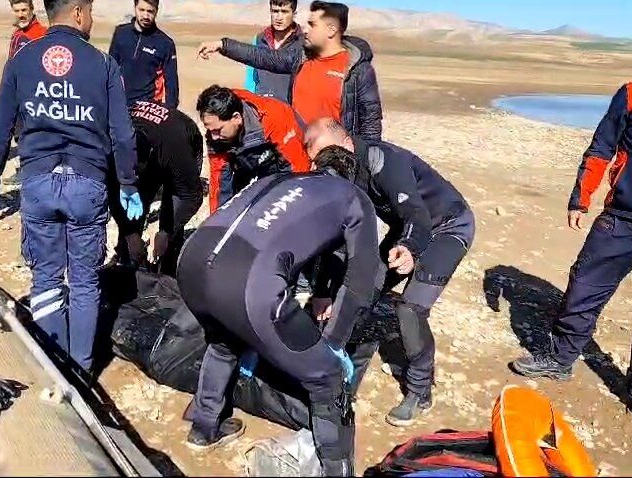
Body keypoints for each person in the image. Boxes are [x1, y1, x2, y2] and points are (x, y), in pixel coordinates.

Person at [510, 27, 632, 428]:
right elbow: (602, 147)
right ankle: (559, 358)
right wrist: (580, 198)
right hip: (620, 218)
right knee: (583, 287)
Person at [177, 170, 385, 477]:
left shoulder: (282, 178)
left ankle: (203, 427)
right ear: (350, 175)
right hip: (246, 280)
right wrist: (333, 344)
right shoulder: (352, 196)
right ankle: (338, 472)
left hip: (192, 259)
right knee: (327, 376)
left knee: (223, 343)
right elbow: (361, 282)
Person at [0, 0, 141, 376]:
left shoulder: (22, 59)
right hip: (87, 182)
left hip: (38, 180)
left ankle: (52, 369)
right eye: (91, 12)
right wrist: (128, 183)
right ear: (79, 13)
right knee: (84, 282)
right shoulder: (102, 63)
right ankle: (81, 372)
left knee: (46, 278)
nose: (92, 20)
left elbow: (0, 124)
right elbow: (122, 133)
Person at [305, 118, 476, 426]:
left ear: (345, 143)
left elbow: (416, 214)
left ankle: (420, 391)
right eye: (317, 161)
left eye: (326, 155)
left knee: (410, 309)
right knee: (363, 290)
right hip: (404, 228)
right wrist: (321, 292)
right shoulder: (339, 171)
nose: (324, 166)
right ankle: (344, 365)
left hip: (446, 226)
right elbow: (335, 239)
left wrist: (409, 247)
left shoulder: (382, 161)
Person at [198, 1, 382, 140]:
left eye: (312, 25)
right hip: (297, 147)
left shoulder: (358, 70)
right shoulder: (301, 58)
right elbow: (262, 57)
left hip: (334, 156)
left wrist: (365, 161)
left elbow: (371, 123)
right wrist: (223, 45)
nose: (305, 30)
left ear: (331, 30)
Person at [110, 100, 204, 275]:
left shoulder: (176, 146)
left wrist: (165, 232)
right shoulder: (111, 138)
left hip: (181, 136)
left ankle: (168, 266)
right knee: (135, 204)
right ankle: (128, 259)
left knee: (172, 211)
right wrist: (130, 234)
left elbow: (190, 195)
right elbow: (112, 190)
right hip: (150, 144)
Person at [196, 85, 310, 212]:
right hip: (246, 162)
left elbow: (298, 169)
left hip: (282, 160)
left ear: (236, 118)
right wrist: (218, 219)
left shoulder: (274, 118)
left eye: (218, 130)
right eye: (209, 130)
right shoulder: (216, 136)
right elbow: (219, 182)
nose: (213, 137)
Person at [3, 0, 48, 186]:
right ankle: (25, 168)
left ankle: (34, 171)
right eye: (17, 11)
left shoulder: (42, 34)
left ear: (31, 9)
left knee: (33, 134)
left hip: (34, 95)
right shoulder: (17, 34)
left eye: (24, 10)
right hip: (16, 92)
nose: (21, 14)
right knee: (18, 133)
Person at [108, 0, 179, 108]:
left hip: (147, 108)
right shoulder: (121, 33)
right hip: (119, 104)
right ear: (135, 7)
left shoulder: (165, 43)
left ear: (156, 11)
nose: (145, 16)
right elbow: (110, 68)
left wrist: (170, 110)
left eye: (150, 11)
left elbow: (171, 82)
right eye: (141, 10)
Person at [245, 0, 303, 103]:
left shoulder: (303, 43)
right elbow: (251, 78)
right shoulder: (258, 40)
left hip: (289, 109)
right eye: (275, 11)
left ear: (294, 13)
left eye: (284, 11)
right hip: (261, 107)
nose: (279, 17)